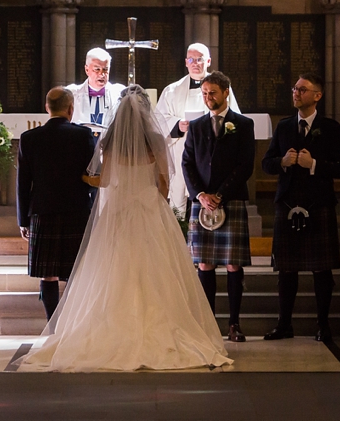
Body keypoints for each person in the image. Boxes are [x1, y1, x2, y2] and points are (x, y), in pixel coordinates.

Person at [20, 85, 231, 371]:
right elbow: (163, 185)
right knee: (157, 272)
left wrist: (83, 179)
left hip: (118, 213)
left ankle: (110, 327)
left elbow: (104, 181)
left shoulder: (110, 141)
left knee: (113, 271)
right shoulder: (156, 139)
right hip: (148, 209)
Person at [261, 73, 340, 342]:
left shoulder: (331, 127)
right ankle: (284, 324)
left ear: (317, 96)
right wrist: (283, 163)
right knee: (286, 270)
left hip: (318, 204)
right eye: (294, 88)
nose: (296, 93)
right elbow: (267, 163)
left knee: (321, 271)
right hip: (287, 203)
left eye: (302, 89)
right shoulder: (284, 126)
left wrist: (313, 164)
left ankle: (323, 325)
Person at [182, 71, 256, 343]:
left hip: (231, 199)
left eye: (212, 93)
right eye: (204, 93)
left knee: (234, 265)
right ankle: (208, 323)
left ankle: (234, 324)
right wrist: (200, 194)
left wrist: (220, 195)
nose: (208, 98)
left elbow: (245, 165)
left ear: (226, 92)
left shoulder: (243, 125)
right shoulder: (197, 125)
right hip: (202, 202)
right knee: (205, 263)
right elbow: (187, 163)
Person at [17, 87, 95, 320]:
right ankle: (72, 323)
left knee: (47, 274)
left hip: (43, 212)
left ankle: (53, 323)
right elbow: (92, 174)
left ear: (46, 108)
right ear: (71, 109)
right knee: (75, 272)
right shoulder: (83, 135)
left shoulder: (29, 138)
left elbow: (23, 183)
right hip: (77, 211)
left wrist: (24, 220)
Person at [156, 43, 240, 217]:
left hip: (212, 155)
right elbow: (159, 120)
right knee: (179, 203)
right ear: (186, 62)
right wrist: (178, 125)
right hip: (181, 152)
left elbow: (235, 119)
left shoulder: (223, 89)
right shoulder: (171, 90)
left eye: (199, 59)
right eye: (191, 59)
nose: (195, 63)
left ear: (208, 61)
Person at [66, 47, 126, 132]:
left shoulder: (119, 93)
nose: (102, 74)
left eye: (105, 69)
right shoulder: (72, 94)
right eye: (97, 69)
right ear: (87, 70)